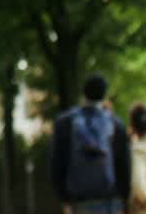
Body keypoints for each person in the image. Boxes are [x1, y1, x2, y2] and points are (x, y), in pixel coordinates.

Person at [50, 74, 131, 213]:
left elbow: (56, 164)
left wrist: (64, 198)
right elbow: (125, 166)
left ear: (84, 92)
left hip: (78, 201)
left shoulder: (64, 122)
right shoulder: (116, 124)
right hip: (110, 201)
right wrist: (123, 198)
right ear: (104, 94)